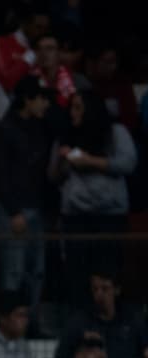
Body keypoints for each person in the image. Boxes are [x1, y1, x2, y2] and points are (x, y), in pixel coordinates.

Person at [49, 92, 138, 298]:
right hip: (76, 216)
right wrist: (63, 160)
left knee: (107, 274)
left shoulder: (115, 132)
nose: (73, 113)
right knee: (76, 275)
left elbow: (128, 163)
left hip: (110, 216)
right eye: (71, 107)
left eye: (78, 107)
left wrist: (90, 161)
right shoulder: (66, 135)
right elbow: (53, 176)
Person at [0, 76, 51, 308]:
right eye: (42, 99)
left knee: (36, 270)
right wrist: (13, 211)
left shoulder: (39, 127)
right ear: (28, 100)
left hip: (35, 207)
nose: (46, 104)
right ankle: (11, 329)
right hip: (11, 210)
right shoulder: (4, 130)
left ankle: (31, 324)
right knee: (13, 271)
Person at [55, 273, 148, 358]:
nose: (100, 294)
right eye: (95, 289)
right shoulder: (79, 323)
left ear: (116, 290)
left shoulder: (132, 320)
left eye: (105, 288)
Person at [0, 3, 49, 119]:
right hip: (6, 117)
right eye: (38, 27)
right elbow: (7, 81)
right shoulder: (1, 43)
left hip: (39, 117)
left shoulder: (46, 49)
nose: (43, 33)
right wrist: (31, 55)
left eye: (46, 28)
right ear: (25, 24)